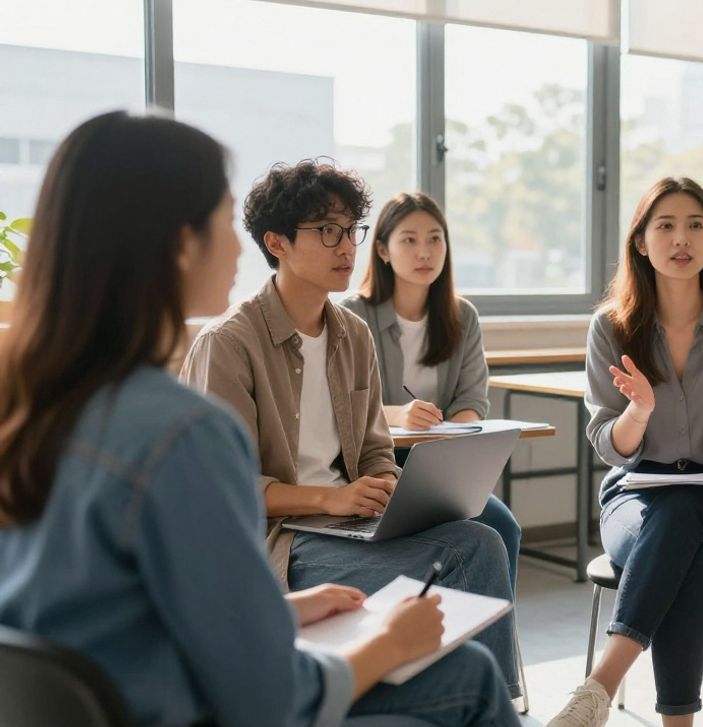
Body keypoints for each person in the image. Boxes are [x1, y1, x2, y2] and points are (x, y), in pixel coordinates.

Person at [0, 111, 537, 727]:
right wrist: (387, 644)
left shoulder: (38, 403)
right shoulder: (182, 428)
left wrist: (283, 612)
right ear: (175, 243)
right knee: (467, 694)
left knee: (475, 584)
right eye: (224, 221)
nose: (237, 246)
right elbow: (274, 701)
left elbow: (133, 614)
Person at [179, 159, 519, 696]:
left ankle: (468, 703)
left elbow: (376, 453)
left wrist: (387, 488)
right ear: (279, 242)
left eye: (352, 230)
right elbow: (222, 493)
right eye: (327, 231)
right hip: (281, 542)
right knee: (469, 553)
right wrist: (329, 500)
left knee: (484, 536)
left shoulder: (352, 335)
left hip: (351, 525)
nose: (346, 247)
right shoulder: (229, 344)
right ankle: (478, 704)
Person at [539, 177, 703, 727]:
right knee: (680, 540)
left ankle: (599, 688)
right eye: (664, 225)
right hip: (635, 501)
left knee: (686, 513)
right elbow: (608, 447)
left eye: (695, 224)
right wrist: (638, 413)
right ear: (640, 242)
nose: (681, 238)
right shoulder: (610, 328)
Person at [339, 192, 520, 588]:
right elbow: (343, 406)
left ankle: (489, 641)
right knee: (462, 538)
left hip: (440, 464)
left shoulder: (462, 315)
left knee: (503, 527)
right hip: (378, 463)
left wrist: (454, 436)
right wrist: (398, 414)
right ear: (383, 250)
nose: (425, 252)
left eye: (435, 239)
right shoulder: (353, 314)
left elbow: (472, 400)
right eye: (410, 240)